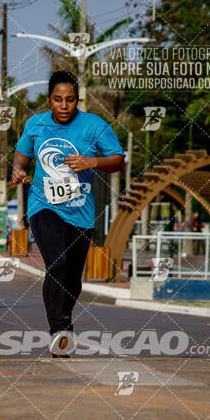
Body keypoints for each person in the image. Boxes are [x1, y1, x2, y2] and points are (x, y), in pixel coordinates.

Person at [11, 70, 125, 357]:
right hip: (44, 206)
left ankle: (65, 321)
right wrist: (19, 169)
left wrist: (93, 161)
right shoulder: (36, 124)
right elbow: (21, 155)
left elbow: (118, 159)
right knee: (57, 263)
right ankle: (58, 329)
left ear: (78, 100)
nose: (64, 106)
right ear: (49, 100)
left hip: (81, 212)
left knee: (74, 279)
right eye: (58, 100)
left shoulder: (94, 125)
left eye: (70, 100)